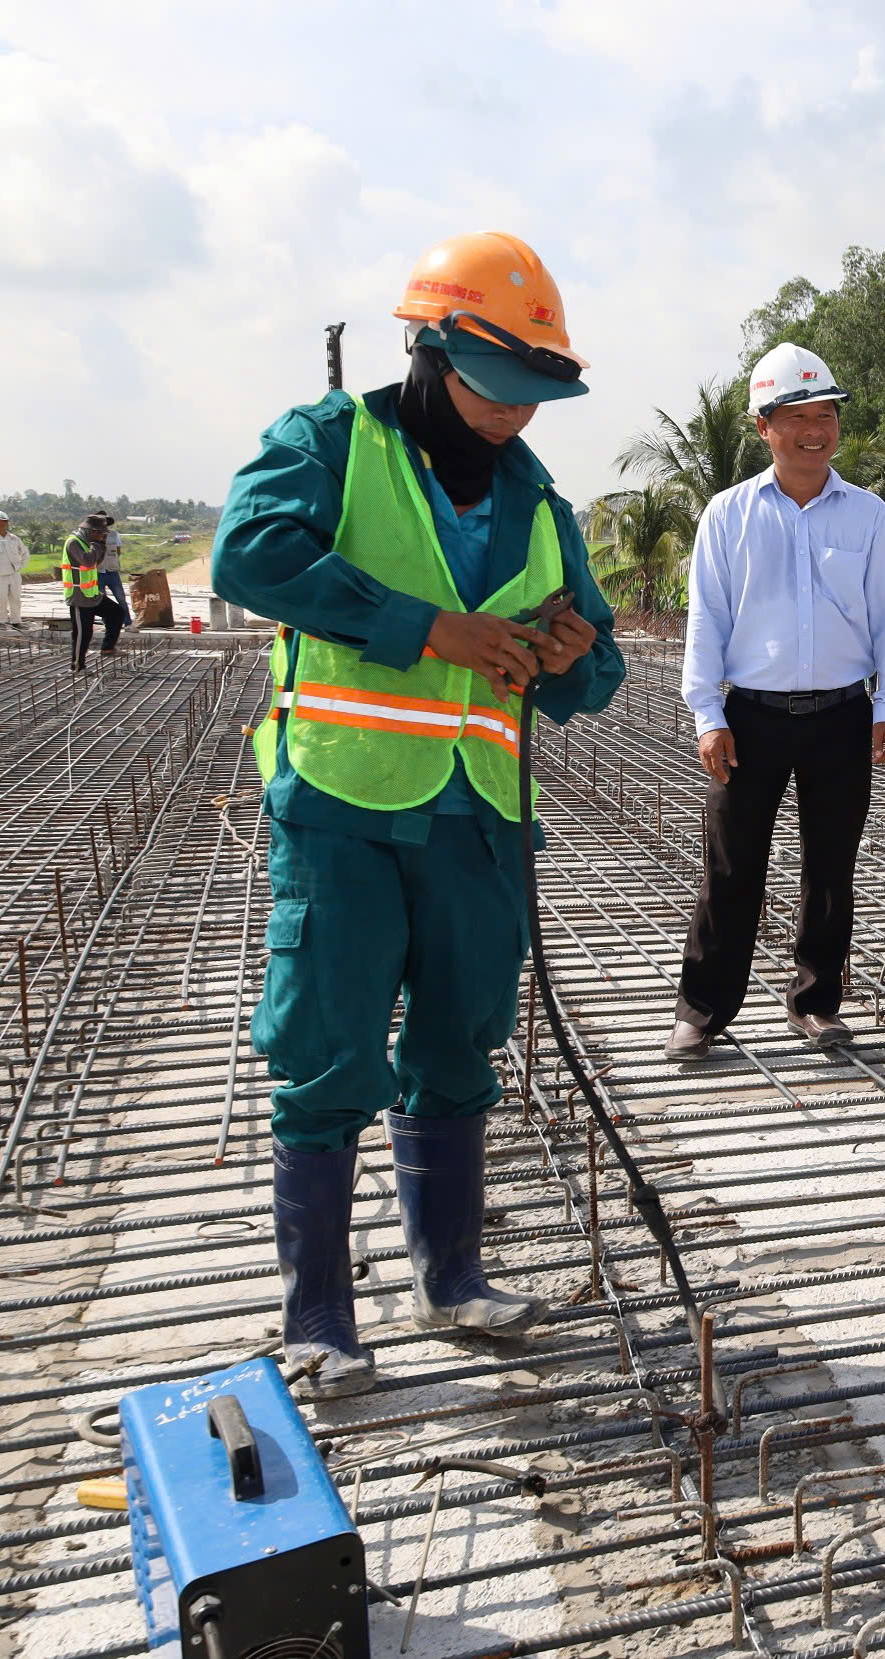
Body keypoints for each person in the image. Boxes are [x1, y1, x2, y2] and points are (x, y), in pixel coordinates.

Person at [213, 230, 623, 1399]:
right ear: (433, 351)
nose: (513, 420)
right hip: (342, 805)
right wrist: (424, 627)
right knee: (329, 1048)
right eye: (497, 392)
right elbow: (250, 555)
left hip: (478, 818)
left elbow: (591, 683)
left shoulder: (541, 504)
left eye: (535, 398)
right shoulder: (331, 444)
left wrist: (570, 655)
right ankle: (321, 1317)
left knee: (458, 1042)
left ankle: (451, 1277)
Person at [668, 343, 885, 1058]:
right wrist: (707, 716)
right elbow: (706, 619)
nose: (816, 429)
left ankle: (815, 1001)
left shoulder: (867, 515)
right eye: (796, 416)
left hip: (841, 715)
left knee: (831, 865)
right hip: (749, 716)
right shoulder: (728, 515)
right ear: (762, 426)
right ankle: (703, 1007)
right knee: (730, 863)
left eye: (826, 414)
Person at [63, 512, 124, 670]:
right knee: (83, 633)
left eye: (104, 533)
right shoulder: (74, 543)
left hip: (91, 594)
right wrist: (97, 544)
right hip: (78, 596)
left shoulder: (90, 542)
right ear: (90, 531)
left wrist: (101, 544)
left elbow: (97, 560)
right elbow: (88, 561)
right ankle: (77, 665)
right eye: (100, 533)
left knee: (116, 613)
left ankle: (107, 647)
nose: (102, 535)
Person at [99, 517, 132, 628]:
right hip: (98, 572)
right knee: (102, 599)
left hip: (112, 572)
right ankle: (107, 623)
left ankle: (127, 622)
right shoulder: (91, 536)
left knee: (121, 598)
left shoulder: (114, 535)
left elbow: (118, 552)